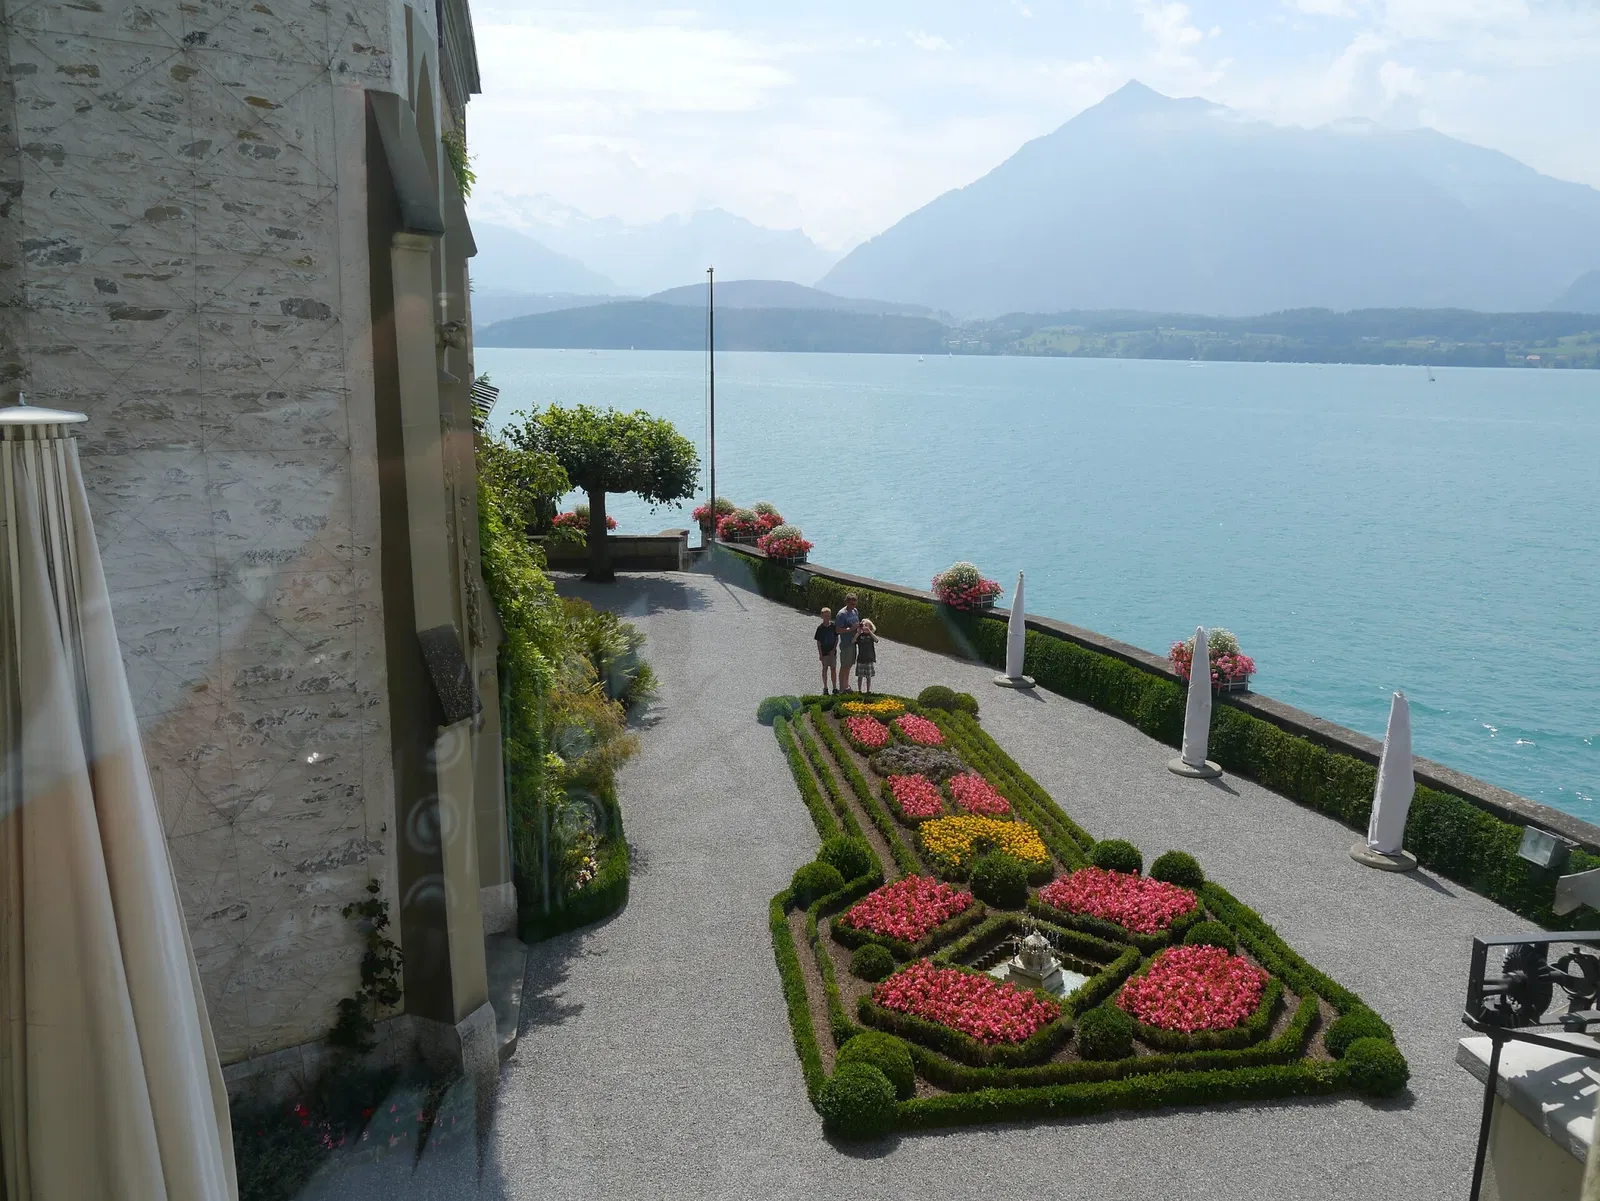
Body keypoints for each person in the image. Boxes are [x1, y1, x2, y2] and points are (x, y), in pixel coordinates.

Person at [834, 594, 861, 693]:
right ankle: (841, 688)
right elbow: (837, 630)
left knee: (849, 665)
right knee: (844, 665)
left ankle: (846, 685)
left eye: (855, 604)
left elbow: (856, 624)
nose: (854, 606)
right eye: (852, 604)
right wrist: (850, 629)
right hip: (846, 643)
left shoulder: (855, 611)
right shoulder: (841, 614)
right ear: (847, 602)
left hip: (853, 642)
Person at [814, 607, 839, 695]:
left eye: (828, 616)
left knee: (833, 669)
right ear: (822, 616)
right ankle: (825, 687)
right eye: (825, 616)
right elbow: (818, 642)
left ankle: (835, 687)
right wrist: (820, 654)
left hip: (832, 652)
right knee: (824, 669)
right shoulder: (820, 628)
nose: (827, 618)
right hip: (824, 652)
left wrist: (833, 650)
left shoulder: (833, 626)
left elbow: (836, 638)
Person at [854, 618, 878, 694]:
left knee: (868, 676)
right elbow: (853, 641)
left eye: (866, 625)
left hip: (869, 658)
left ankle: (868, 690)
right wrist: (858, 632)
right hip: (861, 658)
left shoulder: (870, 635)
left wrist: (869, 631)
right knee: (860, 676)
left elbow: (876, 640)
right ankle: (859, 690)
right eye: (863, 625)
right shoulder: (860, 635)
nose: (864, 627)